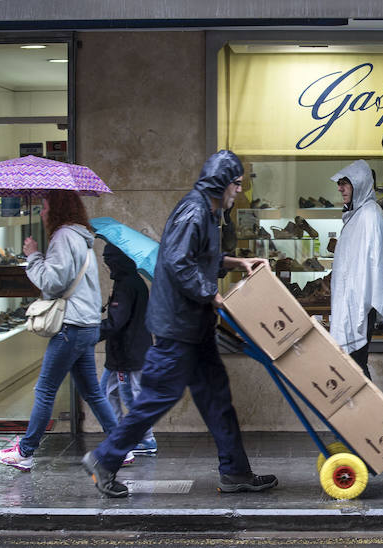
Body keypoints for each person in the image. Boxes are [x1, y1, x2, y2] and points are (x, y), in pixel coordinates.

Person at [82, 150, 274, 498]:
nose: (238, 191)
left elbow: (200, 257)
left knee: (217, 398)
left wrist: (237, 262)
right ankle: (104, 459)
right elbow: (178, 263)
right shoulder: (195, 210)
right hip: (177, 327)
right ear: (223, 183)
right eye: (236, 184)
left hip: (193, 325)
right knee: (157, 395)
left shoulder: (207, 210)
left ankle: (235, 472)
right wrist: (212, 295)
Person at [0, 190, 133, 472]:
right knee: (93, 393)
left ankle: (24, 451)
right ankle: (122, 447)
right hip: (86, 325)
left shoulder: (62, 237)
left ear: (57, 208)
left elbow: (52, 282)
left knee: (45, 389)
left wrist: (33, 256)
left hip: (70, 326)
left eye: (45, 206)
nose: (42, 212)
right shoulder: (82, 237)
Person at [329, 160, 383, 379]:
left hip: (360, 306)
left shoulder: (370, 215)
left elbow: (373, 267)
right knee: (353, 367)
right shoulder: (360, 214)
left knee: (356, 366)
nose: (340, 188)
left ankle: (370, 413)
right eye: (339, 184)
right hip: (352, 303)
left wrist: (359, 304)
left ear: (359, 183)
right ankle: (365, 413)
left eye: (345, 183)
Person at [98, 243, 157, 455]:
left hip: (126, 353)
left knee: (128, 397)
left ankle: (143, 439)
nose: (106, 267)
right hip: (127, 351)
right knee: (107, 393)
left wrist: (93, 332)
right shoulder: (133, 282)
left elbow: (117, 322)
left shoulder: (125, 285)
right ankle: (123, 436)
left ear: (116, 261)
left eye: (108, 262)